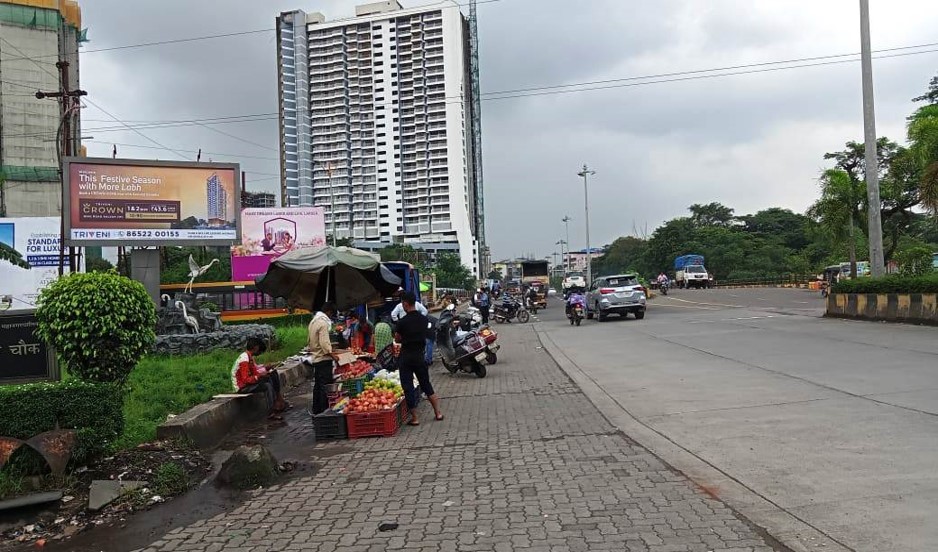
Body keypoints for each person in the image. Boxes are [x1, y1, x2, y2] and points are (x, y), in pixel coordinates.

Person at [394, 292, 443, 425]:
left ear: (405, 304)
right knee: (426, 384)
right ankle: (438, 413)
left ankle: (415, 418)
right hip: (419, 356)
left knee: (408, 386)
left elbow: (397, 339)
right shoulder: (423, 319)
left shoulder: (402, 322)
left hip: (406, 357)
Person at [232, 337, 286, 420]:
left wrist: (266, 369)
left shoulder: (249, 357)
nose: (260, 353)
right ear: (256, 348)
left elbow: (254, 371)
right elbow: (246, 379)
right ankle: (271, 412)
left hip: (246, 383)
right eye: (260, 351)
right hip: (242, 387)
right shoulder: (244, 360)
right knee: (267, 385)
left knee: (271, 375)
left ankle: (278, 401)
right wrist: (260, 376)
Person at [308, 301, 340, 415]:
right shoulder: (323, 323)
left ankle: (316, 409)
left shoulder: (313, 322)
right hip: (323, 359)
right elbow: (324, 343)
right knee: (325, 387)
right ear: (329, 312)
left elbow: (309, 340)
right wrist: (333, 355)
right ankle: (324, 410)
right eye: (332, 315)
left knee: (318, 386)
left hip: (316, 358)